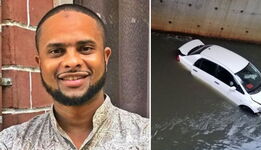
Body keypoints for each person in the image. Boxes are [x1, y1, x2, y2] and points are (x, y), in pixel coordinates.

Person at [0, 4, 149, 150]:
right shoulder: (11, 142)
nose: (72, 62)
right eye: (56, 51)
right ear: (40, 64)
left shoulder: (145, 136)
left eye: (85, 49)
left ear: (106, 57)